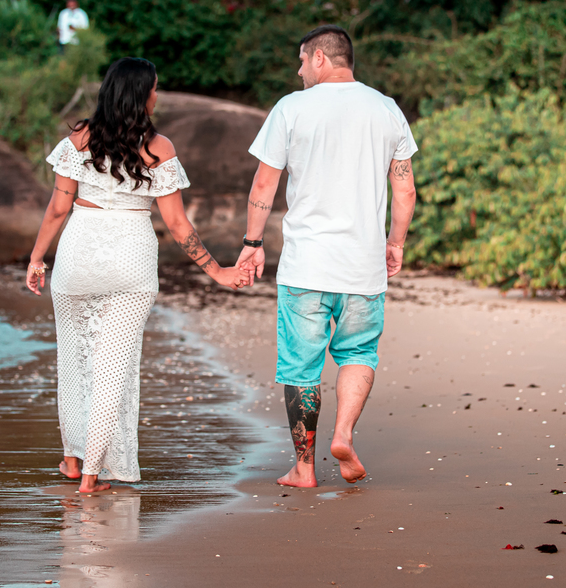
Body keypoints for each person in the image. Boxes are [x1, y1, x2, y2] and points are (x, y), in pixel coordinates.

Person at [26, 57, 251, 494]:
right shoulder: (159, 147)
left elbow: (57, 208)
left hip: (78, 255)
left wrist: (37, 259)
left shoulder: (78, 140)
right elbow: (178, 226)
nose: (157, 95)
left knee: (74, 360)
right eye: (154, 88)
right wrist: (217, 272)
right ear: (142, 95)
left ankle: (74, 459)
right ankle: (91, 474)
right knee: (114, 368)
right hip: (131, 259)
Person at [237, 25, 417, 488]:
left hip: (307, 266)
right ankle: (343, 434)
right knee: (358, 352)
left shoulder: (292, 108)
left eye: (301, 61)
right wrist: (394, 243)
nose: (298, 71)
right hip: (363, 266)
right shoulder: (387, 110)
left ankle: (303, 467)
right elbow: (405, 188)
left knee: (301, 366)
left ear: (320, 57)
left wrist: (252, 244)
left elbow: (264, 184)